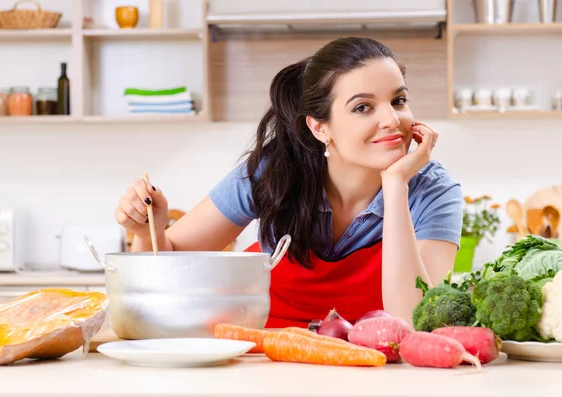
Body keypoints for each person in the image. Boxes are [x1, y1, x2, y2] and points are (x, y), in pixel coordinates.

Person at [115, 37, 463, 327]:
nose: (392, 119)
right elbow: (164, 263)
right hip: (266, 355)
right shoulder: (274, 170)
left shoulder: (432, 190)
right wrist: (149, 232)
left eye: (398, 100)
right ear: (319, 127)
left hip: (377, 360)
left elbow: (417, 321)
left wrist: (396, 185)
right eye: (363, 108)